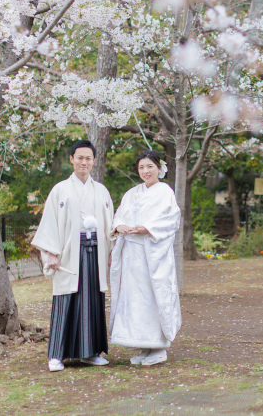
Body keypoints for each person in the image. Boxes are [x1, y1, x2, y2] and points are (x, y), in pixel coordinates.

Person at [31, 140, 114, 372]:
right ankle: (56, 355)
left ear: (94, 160)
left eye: (88, 158)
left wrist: (111, 252)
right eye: (80, 158)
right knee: (66, 299)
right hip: (68, 252)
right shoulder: (60, 189)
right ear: (72, 159)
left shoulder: (102, 191)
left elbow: (109, 224)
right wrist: (51, 254)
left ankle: (90, 353)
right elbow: (50, 223)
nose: (84, 162)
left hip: (95, 250)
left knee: (93, 301)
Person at [109, 150, 181, 366]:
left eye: (150, 166)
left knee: (152, 296)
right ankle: (144, 345)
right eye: (141, 167)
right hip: (132, 255)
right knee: (134, 299)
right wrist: (119, 225)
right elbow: (119, 215)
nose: (145, 171)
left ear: (159, 168)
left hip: (152, 253)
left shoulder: (165, 192)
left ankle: (159, 348)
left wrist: (147, 228)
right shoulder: (132, 193)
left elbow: (172, 220)